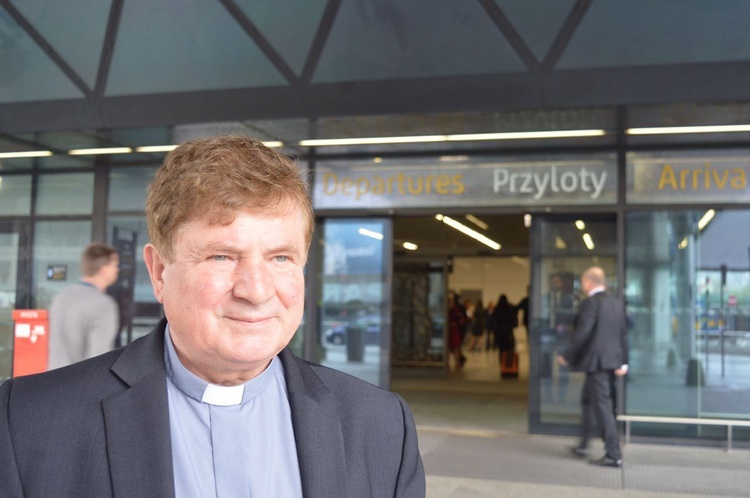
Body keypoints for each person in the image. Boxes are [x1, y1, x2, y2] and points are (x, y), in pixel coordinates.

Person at [0, 135, 425, 497]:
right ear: (159, 272)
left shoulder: (383, 427)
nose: (256, 290)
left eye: (280, 257)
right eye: (222, 256)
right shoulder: (27, 424)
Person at [557, 267, 628, 468]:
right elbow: (623, 334)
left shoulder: (591, 303)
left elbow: (583, 332)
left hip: (597, 363)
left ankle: (614, 455)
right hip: (610, 362)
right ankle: (583, 444)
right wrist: (623, 361)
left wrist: (566, 354)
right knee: (588, 401)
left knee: (603, 407)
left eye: (583, 282)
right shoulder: (616, 303)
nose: (582, 286)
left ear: (589, 282)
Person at [47, 242, 120, 370]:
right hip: (82, 386)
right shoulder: (103, 304)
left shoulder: (60, 298)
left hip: (53, 383)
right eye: (114, 265)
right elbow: (99, 360)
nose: (117, 270)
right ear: (103, 270)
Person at [491, 294, 517, 368]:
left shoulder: (497, 309)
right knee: (508, 349)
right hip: (508, 333)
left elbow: (494, 321)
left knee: (501, 350)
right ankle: (508, 364)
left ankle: (501, 364)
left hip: (500, 333)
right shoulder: (509, 309)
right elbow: (512, 321)